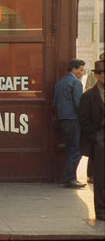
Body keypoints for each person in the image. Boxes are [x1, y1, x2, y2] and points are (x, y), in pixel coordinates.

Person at [53, 59, 86, 188]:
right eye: (81, 70)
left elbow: (55, 103)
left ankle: (68, 178)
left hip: (63, 119)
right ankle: (69, 178)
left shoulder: (60, 83)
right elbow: (79, 104)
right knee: (76, 150)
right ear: (74, 69)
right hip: (73, 119)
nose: (82, 73)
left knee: (70, 148)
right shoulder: (76, 83)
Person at [79, 60, 105, 221]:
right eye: (103, 73)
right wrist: (95, 136)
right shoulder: (88, 96)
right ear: (97, 75)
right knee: (101, 177)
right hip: (99, 138)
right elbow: (83, 119)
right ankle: (101, 210)